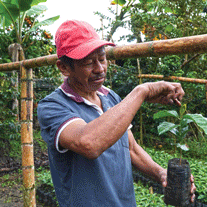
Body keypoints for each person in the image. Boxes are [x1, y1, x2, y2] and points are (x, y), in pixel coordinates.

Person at [37, 20, 196, 207]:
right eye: (88, 62)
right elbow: (89, 143)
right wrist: (141, 91)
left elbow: (130, 148)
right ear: (64, 68)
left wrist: (160, 172)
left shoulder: (111, 97)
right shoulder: (52, 106)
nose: (100, 69)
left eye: (102, 59)